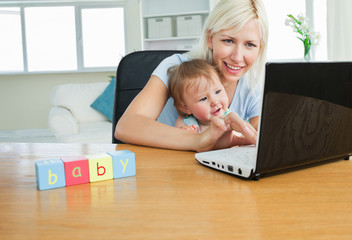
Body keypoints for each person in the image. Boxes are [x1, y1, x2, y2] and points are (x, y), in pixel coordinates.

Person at [115, 0, 269, 152]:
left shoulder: (254, 84)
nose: (237, 57)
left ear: (259, 47)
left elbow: (264, 138)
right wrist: (199, 140)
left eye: (250, 44)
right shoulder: (174, 67)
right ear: (210, 39)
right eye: (228, 41)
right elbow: (127, 126)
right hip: (170, 167)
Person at [168, 59, 229, 133]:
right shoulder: (187, 124)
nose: (215, 101)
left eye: (217, 91)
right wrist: (187, 135)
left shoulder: (229, 118)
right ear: (186, 108)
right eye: (203, 99)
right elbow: (179, 141)